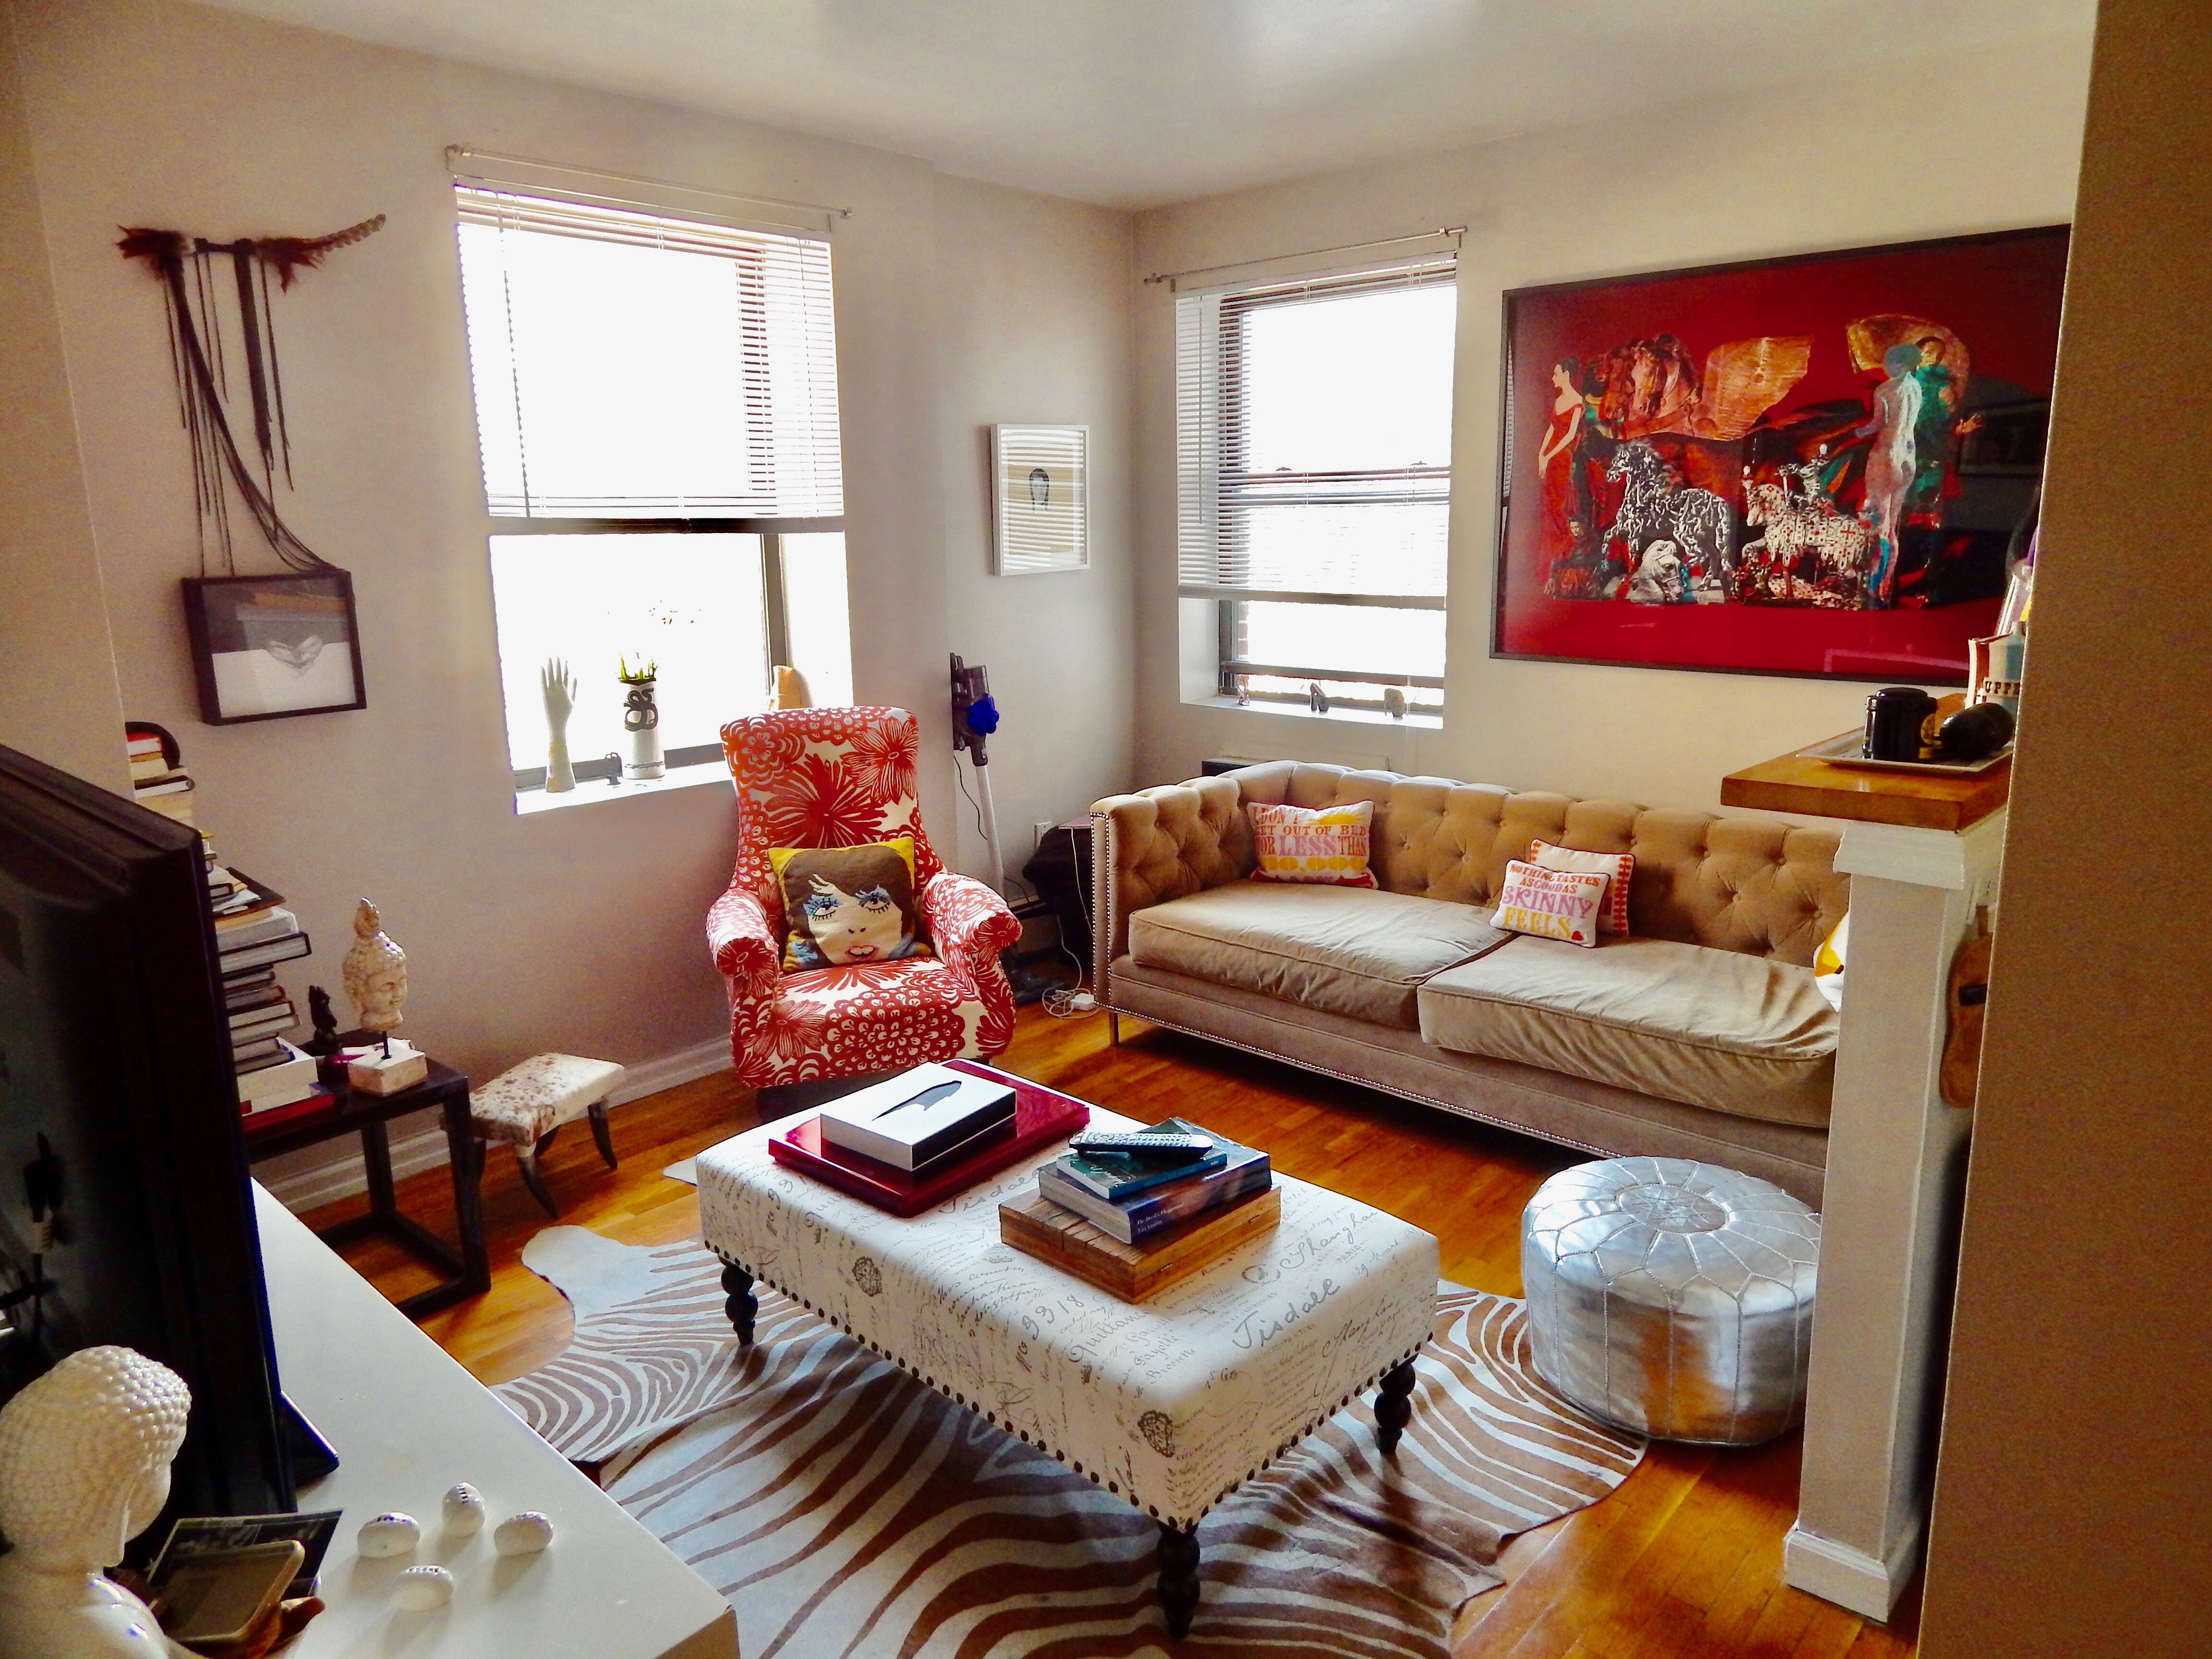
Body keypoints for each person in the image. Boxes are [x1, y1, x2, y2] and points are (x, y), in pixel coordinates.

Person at [1856, 343, 1924, 606]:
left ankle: (1873, 587)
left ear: (1900, 364)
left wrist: (1858, 432)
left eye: (1888, 361)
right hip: (1908, 457)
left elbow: (1878, 424)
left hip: (1887, 456)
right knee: (1893, 526)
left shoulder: (1885, 389)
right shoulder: (1916, 388)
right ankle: (1886, 586)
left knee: (1879, 526)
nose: (1884, 366)